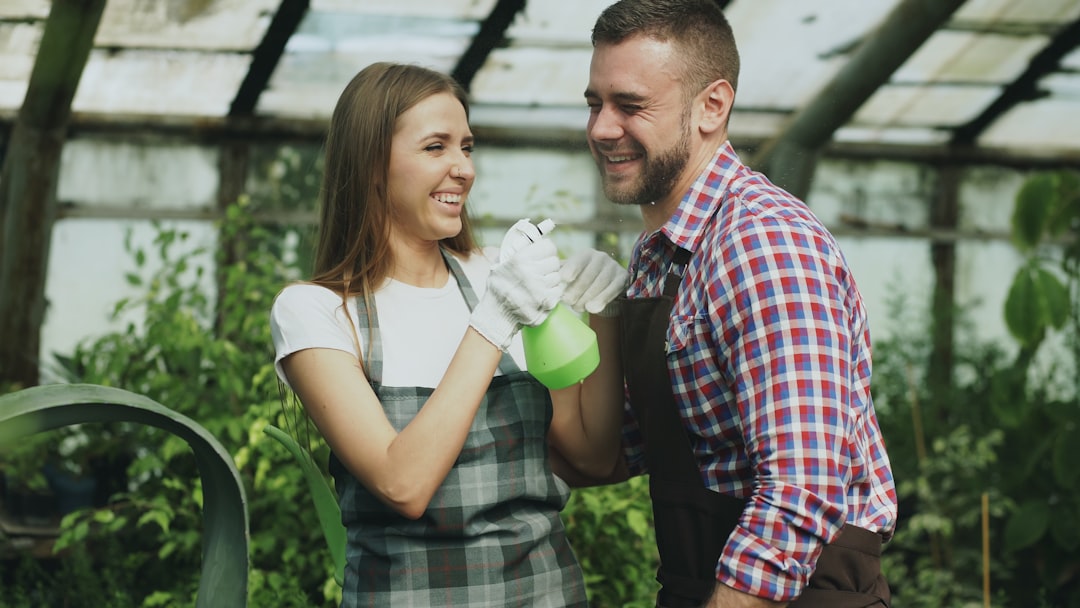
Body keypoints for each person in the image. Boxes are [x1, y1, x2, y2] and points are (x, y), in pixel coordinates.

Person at [576, 1, 900, 607]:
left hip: (799, 593)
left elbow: (800, 492)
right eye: (595, 103)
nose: (600, 128)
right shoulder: (661, 254)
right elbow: (614, 453)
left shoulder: (763, 244)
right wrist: (545, 334)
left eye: (630, 105)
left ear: (712, 106)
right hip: (699, 583)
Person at [269, 62, 626, 607]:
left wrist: (606, 316)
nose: (463, 168)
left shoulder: (498, 275)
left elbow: (590, 457)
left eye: (467, 146)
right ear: (370, 164)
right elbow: (402, 485)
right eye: (436, 147)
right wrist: (493, 320)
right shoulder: (318, 313)